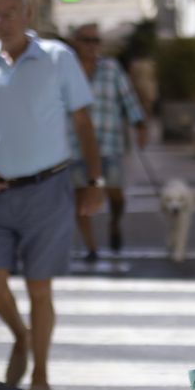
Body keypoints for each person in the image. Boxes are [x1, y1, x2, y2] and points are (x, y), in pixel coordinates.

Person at [0, 0, 105, 390]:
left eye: (10, 12)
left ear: (28, 13)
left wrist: (93, 183)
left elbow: (83, 123)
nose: (2, 21)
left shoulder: (58, 58)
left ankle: (40, 376)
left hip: (46, 189)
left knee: (39, 288)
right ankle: (21, 336)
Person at [66, 22, 146, 259]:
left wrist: (139, 124)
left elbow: (127, 98)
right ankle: (91, 247)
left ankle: (114, 223)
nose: (91, 46)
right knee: (81, 198)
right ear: (75, 43)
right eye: (86, 40)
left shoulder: (111, 68)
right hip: (75, 145)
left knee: (115, 195)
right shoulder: (67, 71)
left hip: (109, 144)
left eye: (95, 41)